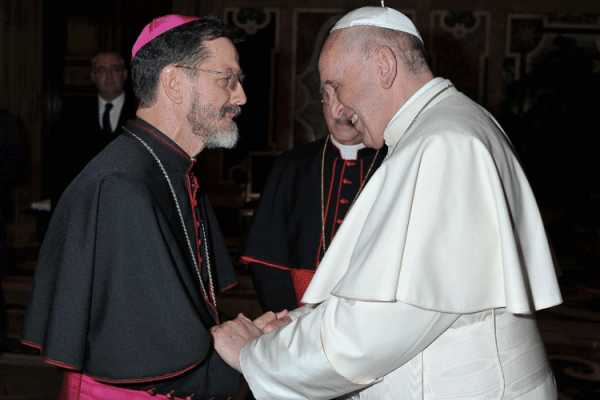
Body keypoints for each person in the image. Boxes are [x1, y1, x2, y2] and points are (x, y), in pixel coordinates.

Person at [211, 6, 563, 399]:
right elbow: (385, 294)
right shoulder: (450, 125)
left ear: (383, 65)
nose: (339, 108)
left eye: (338, 85)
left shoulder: (442, 144)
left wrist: (255, 353)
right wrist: (293, 325)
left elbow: (372, 330)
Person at [22, 15, 249, 400]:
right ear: (175, 82)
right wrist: (255, 356)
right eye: (227, 79)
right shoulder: (121, 186)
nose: (240, 95)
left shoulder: (169, 167)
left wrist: (243, 336)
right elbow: (148, 352)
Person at [241, 97, 387, 312]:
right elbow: (266, 261)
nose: (340, 112)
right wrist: (293, 320)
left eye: (350, 98)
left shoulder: (396, 163)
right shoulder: (290, 166)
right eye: (330, 97)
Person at [52, 51, 137, 208]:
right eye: (102, 70)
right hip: (86, 205)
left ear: (125, 74)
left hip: (130, 203)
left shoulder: (141, 113)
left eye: (115, 69)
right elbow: (63, 165)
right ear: (93, 77)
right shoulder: (73, 116)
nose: (109, 75)